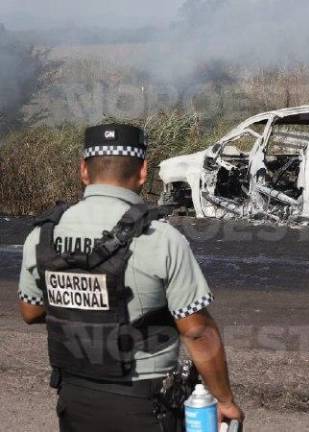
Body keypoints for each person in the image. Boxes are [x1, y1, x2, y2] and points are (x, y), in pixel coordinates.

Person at [17, 124, 244, 431]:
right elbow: (197, 332)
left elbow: (30, 310)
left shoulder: (42, 235)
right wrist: (225, 401)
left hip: (74, 398)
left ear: (84, 171)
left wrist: (83, 297)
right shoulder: (161, 237)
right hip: (144, 405)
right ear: (142, 172)